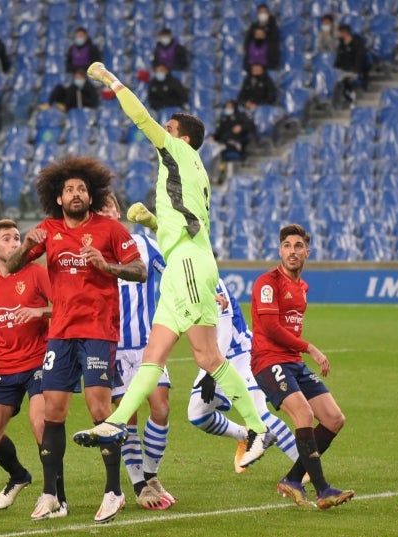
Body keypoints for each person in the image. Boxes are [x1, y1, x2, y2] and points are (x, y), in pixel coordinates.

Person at [72, 62, 273, 472]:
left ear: (181, 137)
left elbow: (141, 117)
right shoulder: (188, 171)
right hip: (185, 258)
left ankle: (256, 428)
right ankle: (114, 423)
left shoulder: (179, 152)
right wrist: (149, 221)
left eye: (170, 127)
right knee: (154, 354)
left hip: (188, 265)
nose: (163, 130)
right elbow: (185, 223)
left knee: (207, 356)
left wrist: (110, 79)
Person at [6, 156, 147, 523]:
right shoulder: (48, 230)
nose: (76, 194)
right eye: (69, 189)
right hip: (61, 334)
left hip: (98, 331)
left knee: (101, 411)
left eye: (82, 189)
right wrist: (26, 246)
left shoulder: (110, 229)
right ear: (58, 197)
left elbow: (140, 271)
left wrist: (106, 266)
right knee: (52, 411)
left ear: (91, 195)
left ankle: (113, 491)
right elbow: (12, 267)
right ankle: (52, 495)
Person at [251, 223, 354, 510]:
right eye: (287, 246)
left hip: (293, 363)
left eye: (298, 246)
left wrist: (301, 352)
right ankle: (323, 490)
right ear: (279, 250)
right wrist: (310, 347)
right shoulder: (267, 283)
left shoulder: (302, 286)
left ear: (307, 252)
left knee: (334, 419)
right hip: (268, 361)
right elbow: (270, 327)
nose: (292, 251)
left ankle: (293, 479)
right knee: (304, 414)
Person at [0, 219, 53, 512]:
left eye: (17, 238)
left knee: (40, 423)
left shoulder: (37, 273)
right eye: (7, 239)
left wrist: (39, 312)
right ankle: (18, 475)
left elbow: (62, 306)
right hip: (4, 366)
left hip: (40, 360)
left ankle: (53, 492)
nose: (14, 243)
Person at [98, 192, 175, 510]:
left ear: (118, 210)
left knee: (161, 407)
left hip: (147, 343)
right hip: (113, 347)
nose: (106, 211)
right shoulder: (89, 252)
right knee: (126, 417)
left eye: (109, 206)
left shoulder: (144, 244)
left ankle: (151, 473)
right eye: (98, 209)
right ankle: (141, 485)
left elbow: (174, 270)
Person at [188, 277, 298, 472]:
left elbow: (225, 333)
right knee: (197, 415)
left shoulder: (213, 282)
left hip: (241, 355)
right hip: (212, 358)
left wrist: (210, 372)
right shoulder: (181, 286)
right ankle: (243, 436)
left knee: (259, 412)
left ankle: (304, 465)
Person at [334, 23, 371, 107]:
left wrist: (355, 72)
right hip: (344, 69)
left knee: (347, 81)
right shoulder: (341, 43)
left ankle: (351, 99)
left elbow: (360, 60)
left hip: (356, 70)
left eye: (339, 32)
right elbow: (339, 58)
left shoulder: (357, 43)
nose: (337, 34)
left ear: (344, 33)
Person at [243, 4, 281, 71]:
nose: (262, 14)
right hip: (253, 63)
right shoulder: (253, 27)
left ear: (268, 13)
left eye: (264, 12)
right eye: (260, 12)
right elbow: (247, 43)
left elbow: (273, 45)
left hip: (269, 63)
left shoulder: (273, 28)